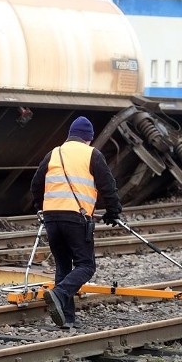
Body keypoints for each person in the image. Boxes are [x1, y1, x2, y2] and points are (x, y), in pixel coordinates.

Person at [30, 116, 122, 328]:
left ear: (70, 136)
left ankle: (67, 318)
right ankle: (60, 294)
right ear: (88, 139)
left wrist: (40, 207)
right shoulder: (92, 154)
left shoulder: (54, 153)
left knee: (63, 266)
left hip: (52, 219)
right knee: (86, 265)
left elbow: (36, 183)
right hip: (76, 218)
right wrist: (113, 211)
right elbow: (108, 185)